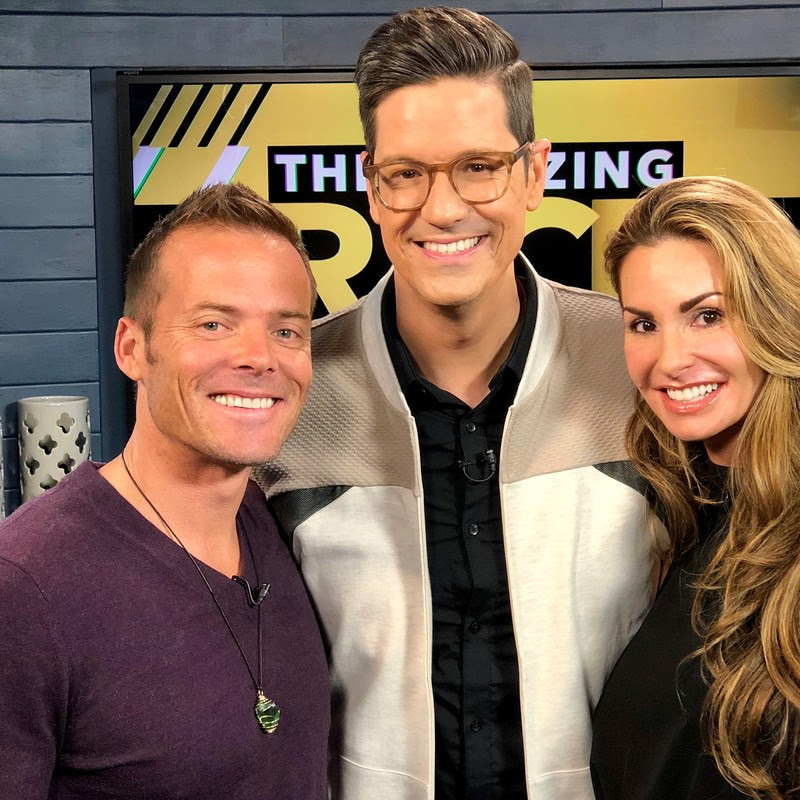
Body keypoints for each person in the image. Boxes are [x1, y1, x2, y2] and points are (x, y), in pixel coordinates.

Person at [255, 7, 654, 799]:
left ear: (535, 172)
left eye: (479, 166)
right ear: (371, 186)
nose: (441, 209)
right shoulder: (288, 391)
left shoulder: (641, 366)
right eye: (407, 173)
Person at [0, 183, 330, 799]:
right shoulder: (24, 586)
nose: (259, 357)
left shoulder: (281, 525)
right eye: (213, 324)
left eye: (287, 331)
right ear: (133, 348)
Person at [590, 175, 800, 799]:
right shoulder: (683, 513)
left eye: (708, 316)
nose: (670, 360)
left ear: (776, 315)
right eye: (643, 324)